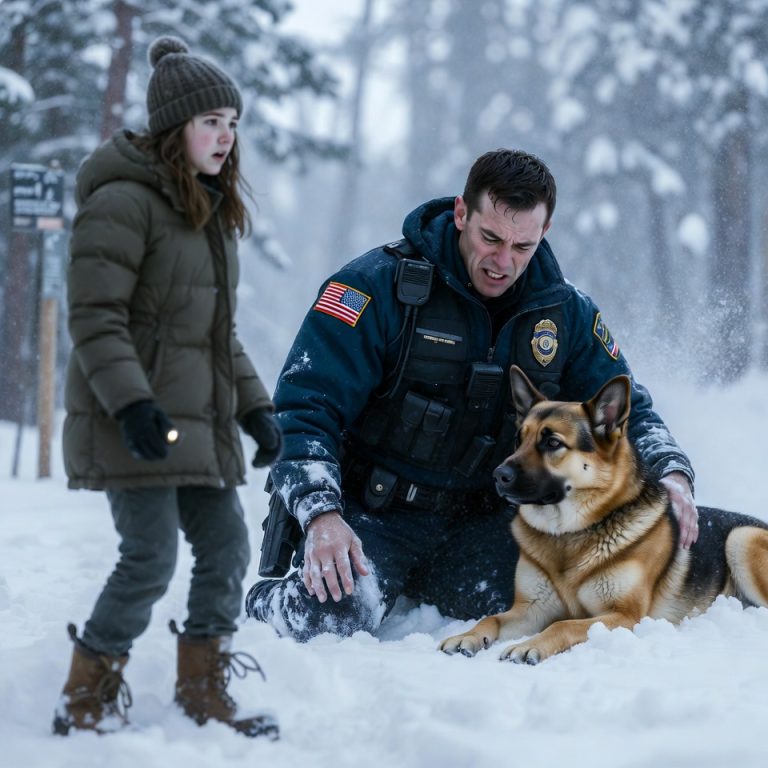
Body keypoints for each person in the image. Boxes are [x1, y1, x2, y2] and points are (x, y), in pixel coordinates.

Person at [245, 148, 698, 642]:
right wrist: (320, 514)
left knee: (578, 597)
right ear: (461, 213)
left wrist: (673, 476)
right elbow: (303, 408)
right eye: (490, 238)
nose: (503, 262)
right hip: (375, 515)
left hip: (486, 523)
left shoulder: (565, 314)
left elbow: (626, 416)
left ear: (543, 233)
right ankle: (267, 602)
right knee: (328, 622)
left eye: (522, 246)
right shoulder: (373, 287)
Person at [53, 36, 282, 739]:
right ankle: (85, 697)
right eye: (210, 120)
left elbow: (216, 333)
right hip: (133, 419)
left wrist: (255, 406)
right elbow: (95, 318)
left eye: (233, 122)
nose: (225, 136)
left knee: (227, 549)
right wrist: (132, 402)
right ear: (173, 126)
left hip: (197, 417)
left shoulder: (207, 212)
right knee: (149, 558)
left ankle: (203, 687)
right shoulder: (122, 203)